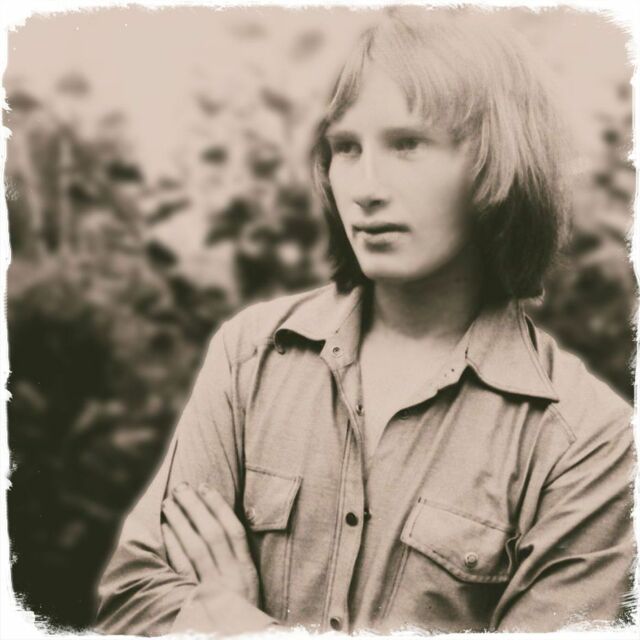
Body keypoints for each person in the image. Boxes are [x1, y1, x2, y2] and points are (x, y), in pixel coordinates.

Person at [95, 7, 636, 635]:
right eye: (346, 148)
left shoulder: (586, 441)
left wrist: (244, 627)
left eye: (408, 144)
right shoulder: (252, 355)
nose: (365, 187)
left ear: (499, 162)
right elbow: (132, 602)